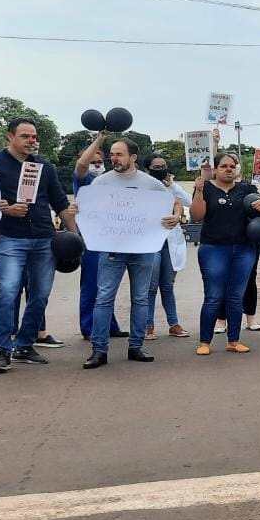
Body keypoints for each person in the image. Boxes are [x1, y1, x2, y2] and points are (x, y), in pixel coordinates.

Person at [0, 118, 78, 373]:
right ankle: (1, 349)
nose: (31, 141)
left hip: (44, 237)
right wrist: (6, 210)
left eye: (34, 136)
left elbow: (60, 203)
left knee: (40, 294)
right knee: (8, 291)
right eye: (25, 136)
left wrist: (76, 238)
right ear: (10, 136)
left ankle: (24, 344)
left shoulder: (45, 166)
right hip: (10, 236)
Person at [81, 140, 180, 369]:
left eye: (120, 154)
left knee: (141, 298)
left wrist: (176, 216)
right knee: (104, 298)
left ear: (133, 157)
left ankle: (136, 345)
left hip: (143, 249)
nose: (114, 159)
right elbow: (88, 209)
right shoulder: (100, 182)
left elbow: (174, 203)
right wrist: (79, 210)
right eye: (112, 155)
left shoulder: (151, 183)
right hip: (112, 250)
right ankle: (99, 350)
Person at [190, 153, 257, 355]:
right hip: (213, 249)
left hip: (243, 248)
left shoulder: (246, 188)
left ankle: (234, 341)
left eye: (232, 166)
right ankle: (204, 342)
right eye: (224, 166)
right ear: (216, 169)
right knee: (214, 296)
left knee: (236, 296)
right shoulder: (206, 187)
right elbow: (196, 215)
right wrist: (199, 191)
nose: (228, 169)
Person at [72, 132, 123, 340]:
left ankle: (109, 325)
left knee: (107, 285)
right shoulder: (84, 180)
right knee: (92, 283)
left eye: (100, 161)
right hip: (92, 240)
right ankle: (89, 326)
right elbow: (82, 166)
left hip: (110, 238)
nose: (97, 164)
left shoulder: (108, 181)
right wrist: (100, 140)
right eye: (93, 161)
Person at [142, 154, 191, 340]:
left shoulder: (169, 188)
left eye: (163, 166)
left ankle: (174, 323)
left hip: (169, 242)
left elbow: (184, 203)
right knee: (151, 286)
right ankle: (148, 325)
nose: (161, 169)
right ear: (147, 169)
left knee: (168, 285)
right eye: (156, 167)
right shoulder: (141, 185)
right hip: (150, 242)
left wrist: (177, 215)